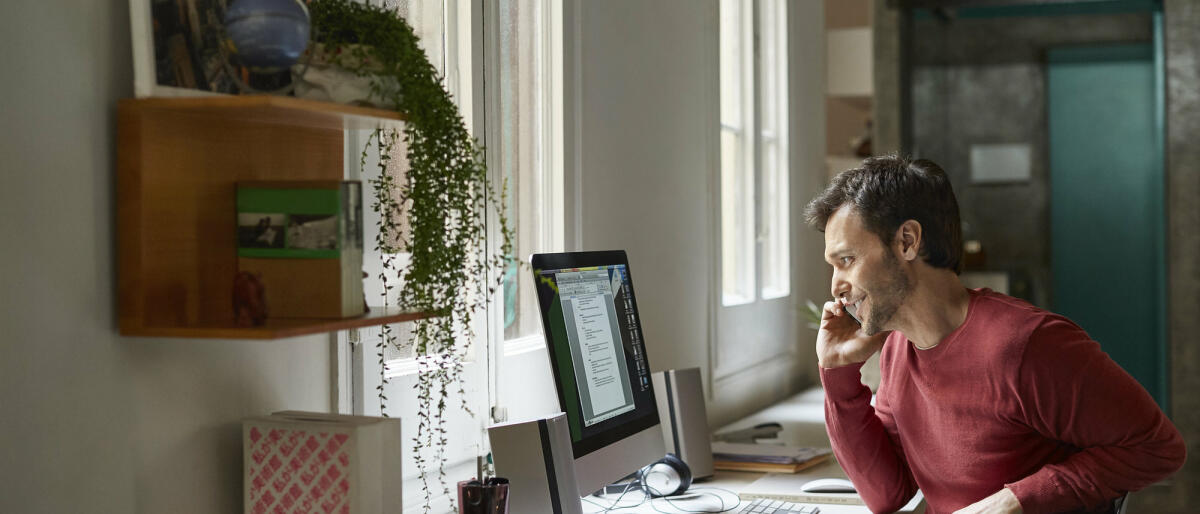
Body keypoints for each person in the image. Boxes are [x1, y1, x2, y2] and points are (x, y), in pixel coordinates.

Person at [803, 155, 1185, 514]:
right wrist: (837, 374)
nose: (837, 286)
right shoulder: (898, 349)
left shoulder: (1029, 344)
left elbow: (1157, 446)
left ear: (907, 241)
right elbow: (887, 494)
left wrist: (1013, 501)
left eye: (847, 261)